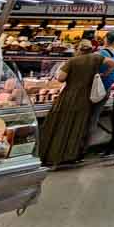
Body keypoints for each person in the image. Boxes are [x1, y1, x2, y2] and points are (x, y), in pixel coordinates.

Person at [38, 39, 105, 167]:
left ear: (78, 49)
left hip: (70, 96)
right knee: (77, 127)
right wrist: (101, 74)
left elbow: (61, 78)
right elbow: (113, 63)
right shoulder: (96, 58)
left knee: (61, 125)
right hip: (85, 97)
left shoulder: (72, 61)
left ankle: (54, 155)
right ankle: (71, 155)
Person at [85, 30, 114, 149]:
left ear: (105, 38)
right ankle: (87, 145)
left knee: (88, 118)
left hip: (94, 89)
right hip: (107, 89)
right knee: (95, 116)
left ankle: (82, 146)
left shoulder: (100, 53)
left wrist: (103, 74)